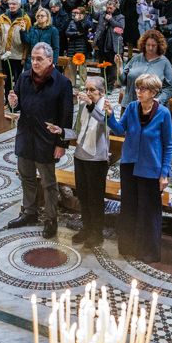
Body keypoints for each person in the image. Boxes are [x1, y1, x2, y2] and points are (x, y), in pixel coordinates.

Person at [6, 42, 73, 239]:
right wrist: (13, 104)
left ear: (50, 60)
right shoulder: (24, 77)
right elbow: (16, 106)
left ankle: (51, 219)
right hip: (26, 136)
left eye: (39, 59)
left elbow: (66, 116)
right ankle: (29, 212)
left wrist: (62, 143)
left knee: (48, 183)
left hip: (47, 141)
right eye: (33, 58)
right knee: (26, 177)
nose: (34, 62)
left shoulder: (62, 83)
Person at [105, 73, 172, 263]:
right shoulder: (132, 107)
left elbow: (168, 145)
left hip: (151, 169)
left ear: (153, 92)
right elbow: (120, 130)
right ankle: (127, 247)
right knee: (128, 208)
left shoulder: (163, 113)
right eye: (137, 88)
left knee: (148, 211)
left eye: (142, 89)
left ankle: (148, 252)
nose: (138, 92)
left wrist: (164, 173)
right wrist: (110, 116)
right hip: (129, 166)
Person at [56, 76, 111, 249]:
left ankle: (97, 233)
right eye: (86, 89)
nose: (88, 93)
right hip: (80, 157)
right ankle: (87, 229)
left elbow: (103, 122)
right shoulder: (83, 107)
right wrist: (61, 131)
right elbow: (78, 131)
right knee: (83, 197)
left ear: (101, 93)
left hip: (97, 160)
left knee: (95, 199)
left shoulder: (106, 108)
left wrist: (90, 104)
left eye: (92, 90)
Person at [118, 29, 172, 107]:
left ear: (159, 46)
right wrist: (119, 66)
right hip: (129, 105)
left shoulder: (165, 63)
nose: (150, 48)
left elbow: (169, 87)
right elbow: (123, 81)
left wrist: (159, 100)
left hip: (151, 107)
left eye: (153, 45)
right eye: (148, 45)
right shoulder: (136, 58)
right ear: (144, 45)